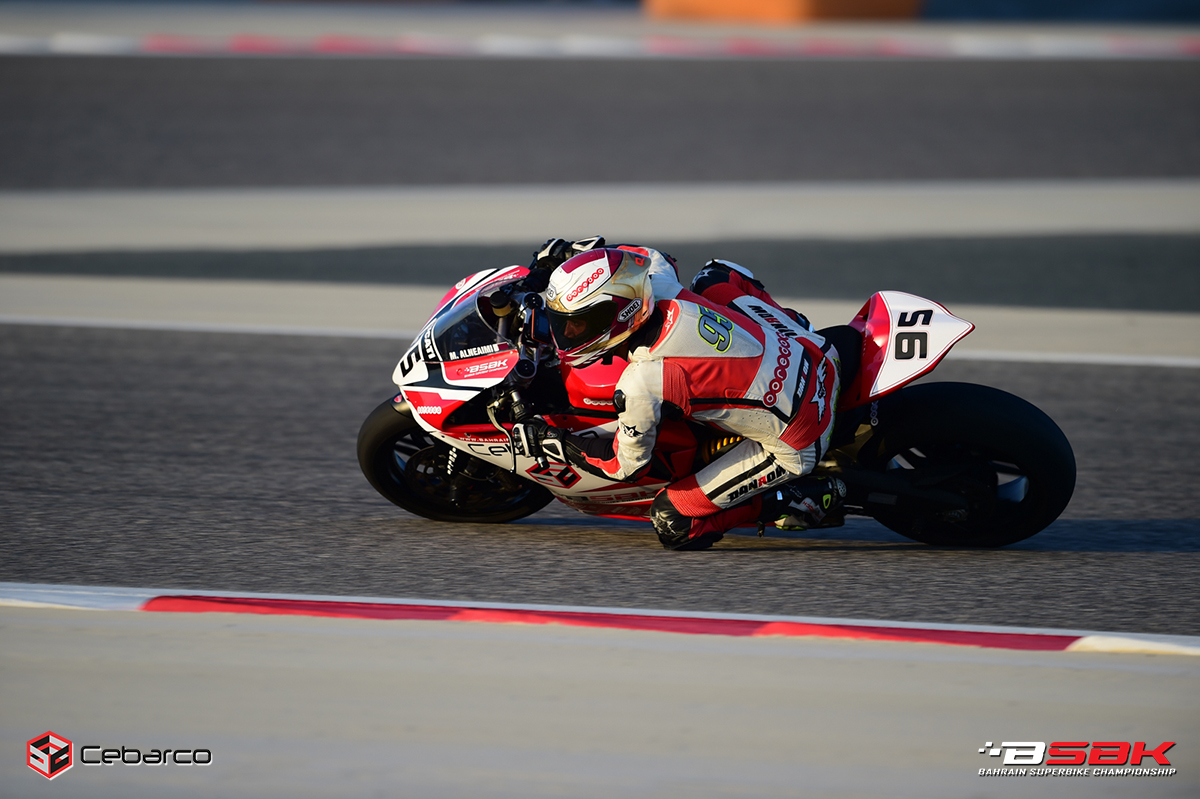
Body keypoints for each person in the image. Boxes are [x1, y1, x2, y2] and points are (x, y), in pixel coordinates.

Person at [516, 237, 848, 550]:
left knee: (672, 520)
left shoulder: (642, 381)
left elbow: (624, 466)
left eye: (579, 323)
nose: (567, 332)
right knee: (713, 274)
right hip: (814, 351)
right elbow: (649, 256)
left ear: (621, 315)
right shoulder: (658, 283)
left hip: (803, 431)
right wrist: (573, 257)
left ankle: (797, 500)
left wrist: (553, 439)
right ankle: (793, 321)